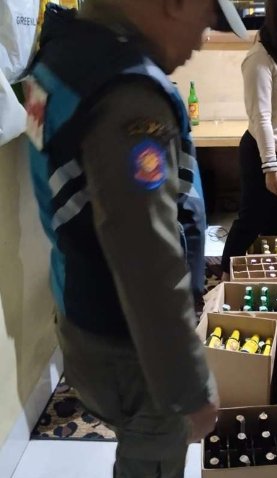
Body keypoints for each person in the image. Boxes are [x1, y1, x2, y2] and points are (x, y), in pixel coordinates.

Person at [25, 1, 247, 477]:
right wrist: (189, 385)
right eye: (207, 20)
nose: (203, 40)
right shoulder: (128, 95)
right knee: (151, 460)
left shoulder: (60, 55)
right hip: (130, 343)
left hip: (79, 310)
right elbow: (146, 258)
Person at [221, 0, 277, 280]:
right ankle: (224, 278)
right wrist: (270, 166)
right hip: (268, 155)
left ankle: (264, 276)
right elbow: (261, 117)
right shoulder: (259, 59)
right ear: (275, 23)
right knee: (251, 221)